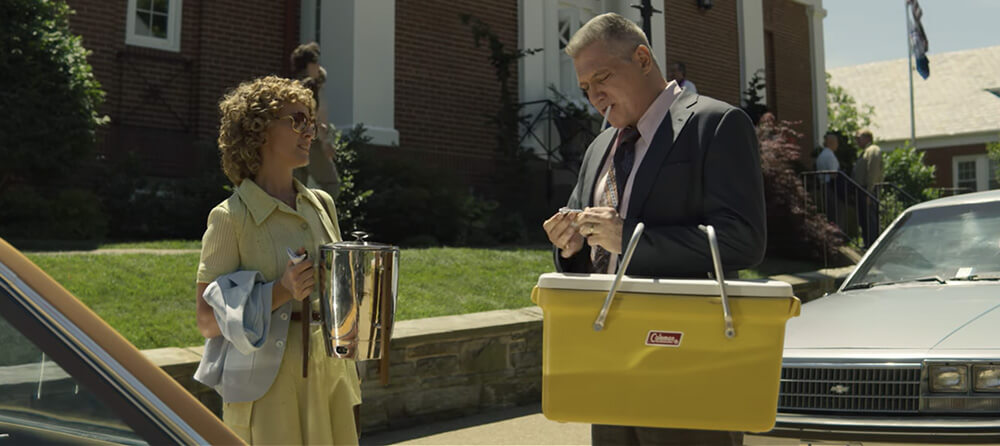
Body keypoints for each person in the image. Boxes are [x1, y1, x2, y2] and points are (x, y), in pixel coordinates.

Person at [541, 13, 765, 446]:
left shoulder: (716, 124)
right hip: (607, 365)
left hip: (688, 367)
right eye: (586, 88)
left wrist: (630, 237)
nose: (594, 96)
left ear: (642, 58)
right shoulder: (598, 147)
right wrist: (569, 246)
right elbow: (591, 246)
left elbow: (744, 240)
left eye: (601, 78)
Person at [193, 76, 360, 445]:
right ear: (259, 131)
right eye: (296, 120)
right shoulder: (229, 217)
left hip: (330, 374)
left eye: (310, 123)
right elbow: (207, 321)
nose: (309, 132)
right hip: (266, 386)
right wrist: (282, 291)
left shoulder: (322, 205)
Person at [290, 42, 341, 200]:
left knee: (295, 191)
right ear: (310, 64)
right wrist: (325, 142)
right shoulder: (311, 86)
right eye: (316, 62)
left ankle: (298, 221)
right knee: (331, 186)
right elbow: (315, 116)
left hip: (293, 142)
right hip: (312, 142)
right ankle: (318, 220)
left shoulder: (294, 87)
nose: (318, 66)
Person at [852, 128, 883, 247]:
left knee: (870, 219)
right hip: (862, 190)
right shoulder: (865, 151)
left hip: (868, 190)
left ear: (868, 138)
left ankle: (873, 244)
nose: (856, 141)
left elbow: (873, 172)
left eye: (858, 138)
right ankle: (867, 243)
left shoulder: (873, 150)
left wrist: (869, 192)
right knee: (864, 219)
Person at [816, 131, 842, 226]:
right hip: (831, 187)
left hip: (823, 185)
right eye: (836, 142)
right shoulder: (829, 156)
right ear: (831, 142)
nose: (837, 145)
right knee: (835, 212)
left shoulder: (821, 155)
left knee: (829, 212)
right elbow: (834, 174)